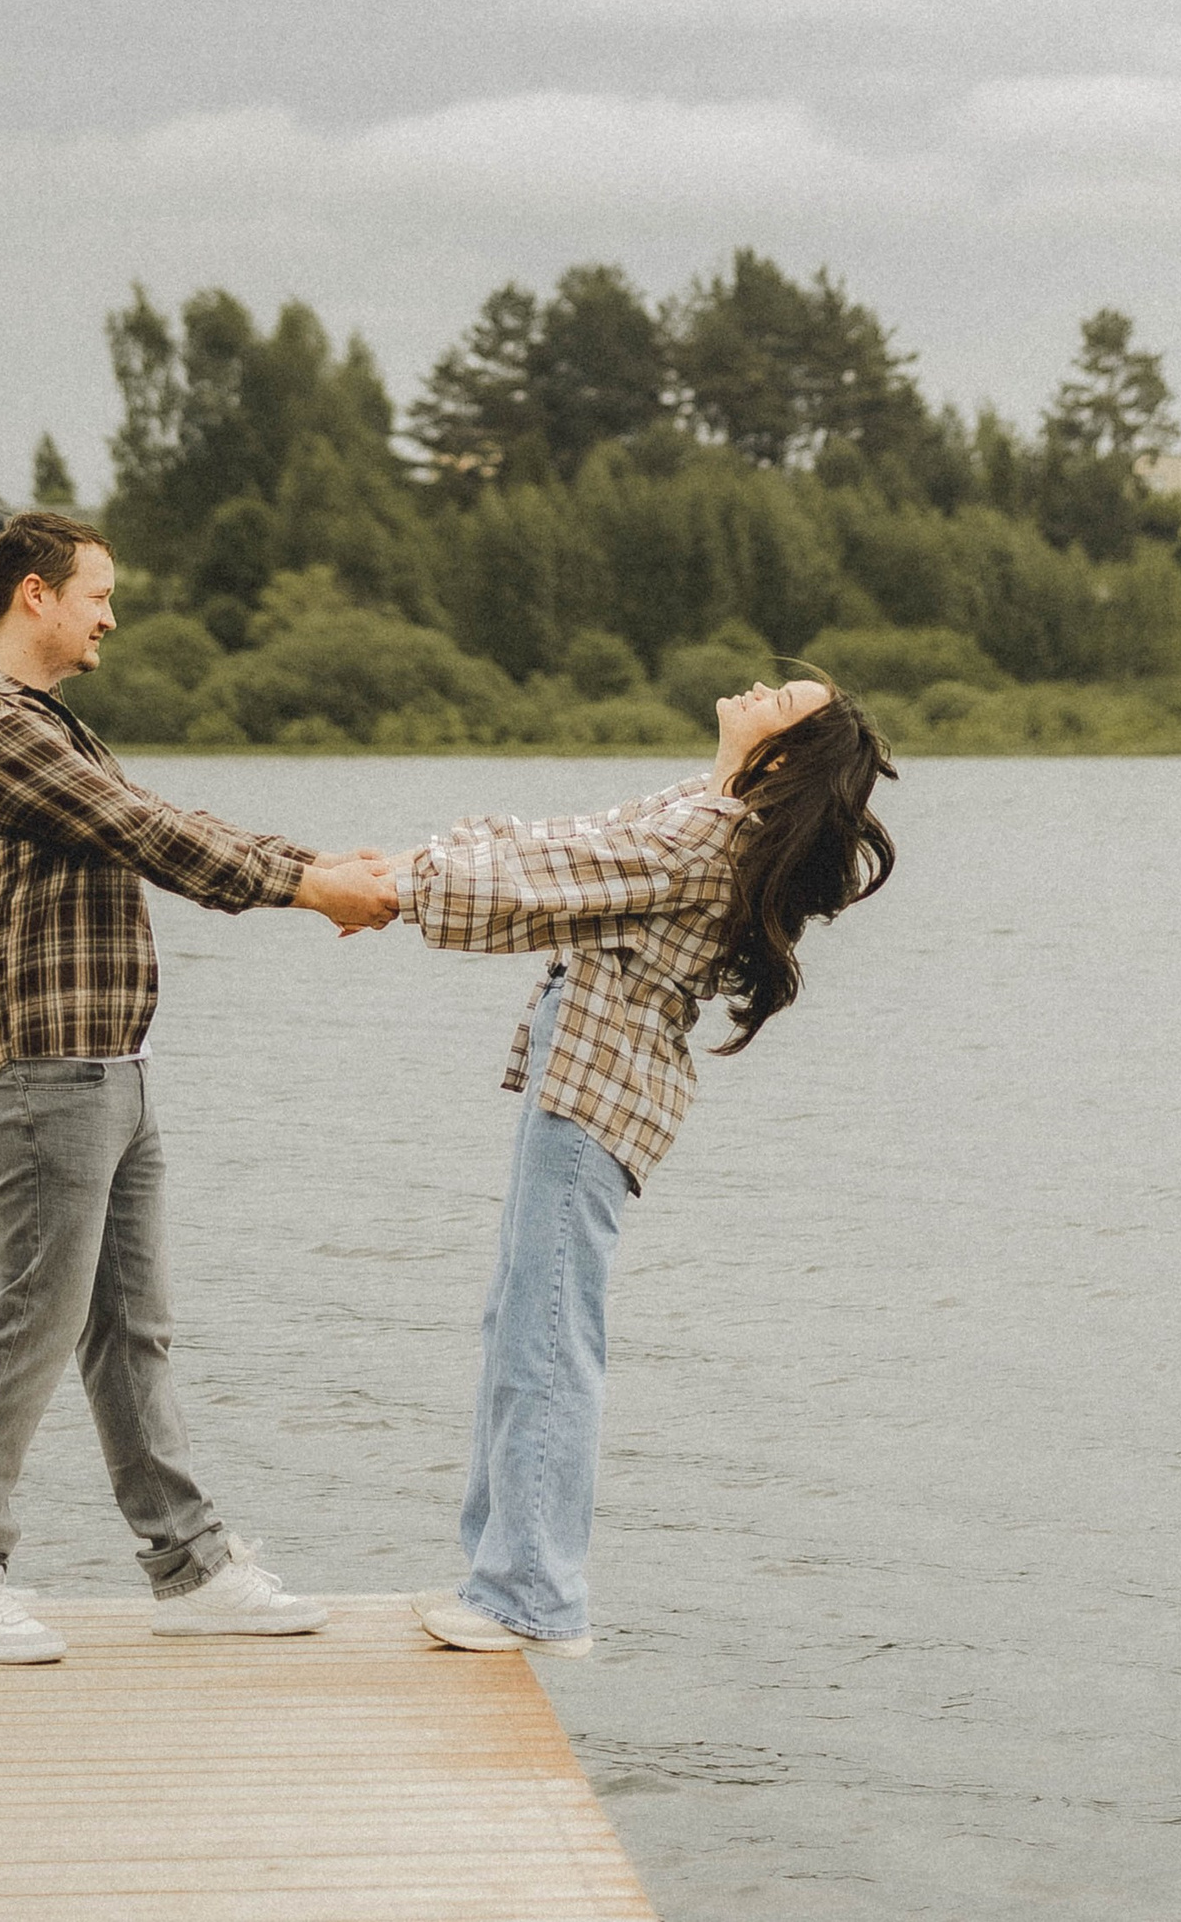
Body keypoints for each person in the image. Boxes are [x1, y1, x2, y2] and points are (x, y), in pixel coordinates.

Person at [0, 506, 397, 1666]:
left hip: (107, 1065)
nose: (109, 617)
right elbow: (143, 830)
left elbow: (164, 818)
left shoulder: (40, 720)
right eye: (96, 595)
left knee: (130, 1329)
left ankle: (187, 1567)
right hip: (38, 1068)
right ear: (36, 594)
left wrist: (314, 864)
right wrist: (306, 888)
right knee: (32, 1320)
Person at [374, 674, 895, 1659]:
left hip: (597, 1086)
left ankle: (530, 1594)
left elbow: (554, 871)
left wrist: (398, 886)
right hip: (584, 1074)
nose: (759, 681)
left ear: (786, 749)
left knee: (547, 1334)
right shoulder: (704, 808)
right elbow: (561, 842)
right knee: (517, 1319)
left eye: (784, 690)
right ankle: (499, 1569)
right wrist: (408, 865)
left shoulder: (711, 834)